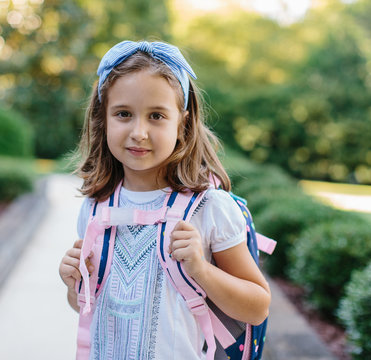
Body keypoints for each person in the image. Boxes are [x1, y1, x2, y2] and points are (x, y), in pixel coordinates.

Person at [59, 40, 271, 359]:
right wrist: (74, 282)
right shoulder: (95, 209)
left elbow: (257, 307)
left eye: (156, 116)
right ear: (103, 118)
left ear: (182, 123)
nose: (139, 132)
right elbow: (84, 304)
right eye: (124, 114)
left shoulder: (209, 209)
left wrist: (201, 269)